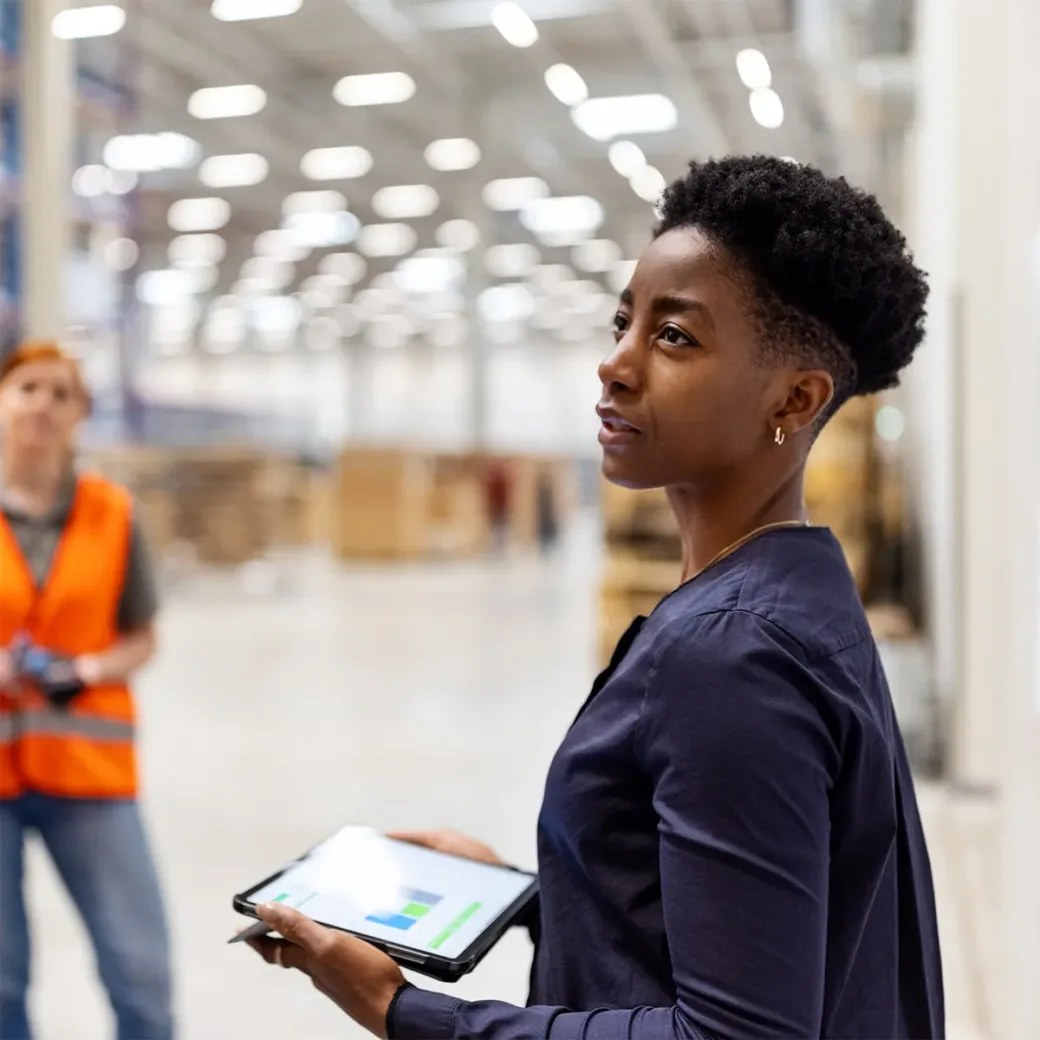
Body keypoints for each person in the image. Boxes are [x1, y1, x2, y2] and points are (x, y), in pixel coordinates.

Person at [245, 156, 944, 1039]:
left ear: (795, 400)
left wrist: (404, 1011)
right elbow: (757, 927)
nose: (615, 365)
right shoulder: (798, 589)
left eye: (675, 337)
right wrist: (547, 890)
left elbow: (739, 1035)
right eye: (625, 324)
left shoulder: (730, 653)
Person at [0, 342, 173, 1039]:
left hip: (91, 775)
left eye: (61, 393)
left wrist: (89, 671)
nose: (43, 403)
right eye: (28, 387)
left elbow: (143, 635)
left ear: (81, 415)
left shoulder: (113, 512)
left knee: (141, 976)